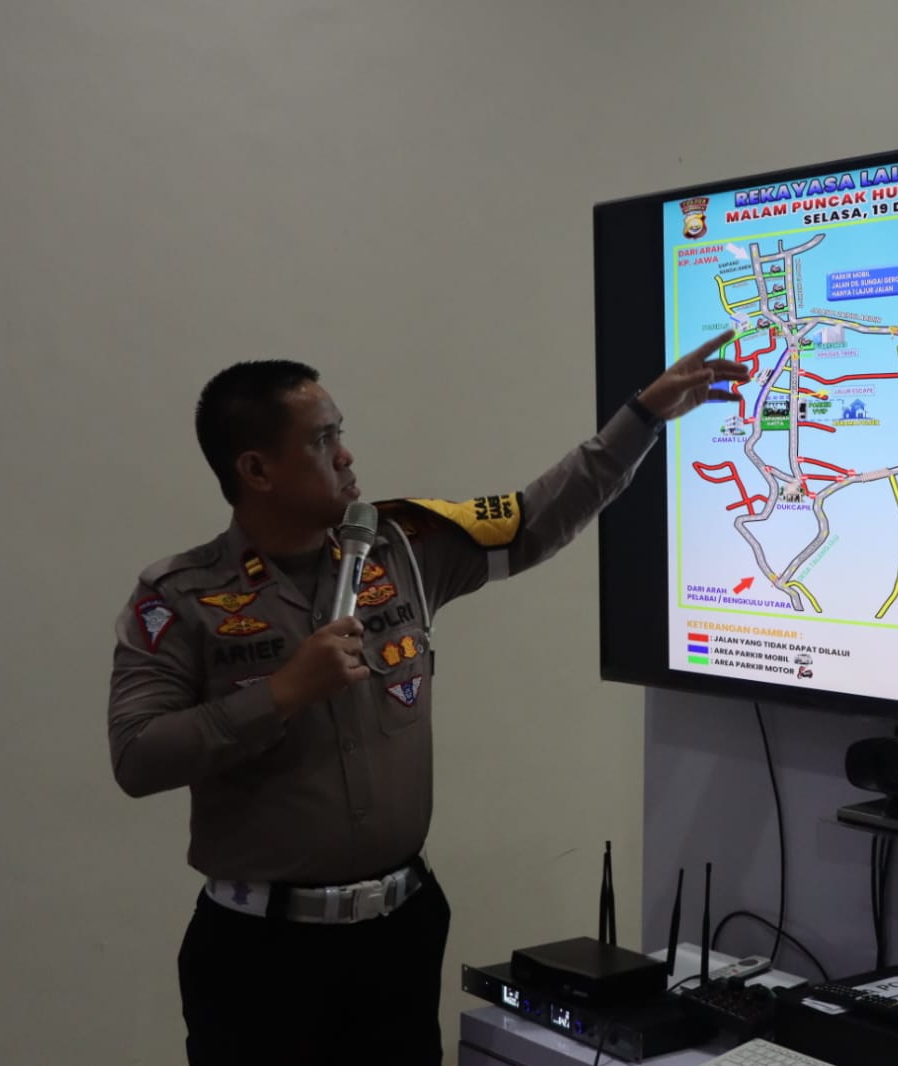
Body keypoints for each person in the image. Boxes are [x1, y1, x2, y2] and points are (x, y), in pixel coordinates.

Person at [107, 332, 745, 1065]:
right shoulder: (181, 596)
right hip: (260, 955)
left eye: (340, 433)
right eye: (322, 440)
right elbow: (138, 756)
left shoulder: (400, 545)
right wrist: (281, 694)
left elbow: (533, 519)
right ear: (256, 469)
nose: (346, 454)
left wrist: (643, 416)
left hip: (398, 937)